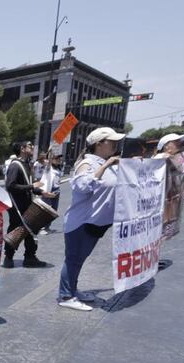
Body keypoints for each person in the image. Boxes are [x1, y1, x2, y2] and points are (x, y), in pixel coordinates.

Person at [57, 127, 125, 312]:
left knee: (80, 259)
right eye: (111, 141)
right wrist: (105, 166)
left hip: (97, 223)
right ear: (99, 144)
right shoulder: (87, 164)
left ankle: (72, 290)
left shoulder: (107, 163)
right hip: (81, 222)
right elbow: (82, 187)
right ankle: (65, 295)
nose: (115, 145)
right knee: (73, 259)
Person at [3, 140, 47, 268]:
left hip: (27, 203)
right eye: (29, 146)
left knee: (32, 229)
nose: (32, 147)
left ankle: (30, 257)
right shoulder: (15, 165)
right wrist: (31, 186)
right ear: (22, 149)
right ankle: (8, 257)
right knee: (15, 230)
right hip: (17, 205)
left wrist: (41, 192)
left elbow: (29, 184)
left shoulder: (27, 164)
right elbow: (10, 186)